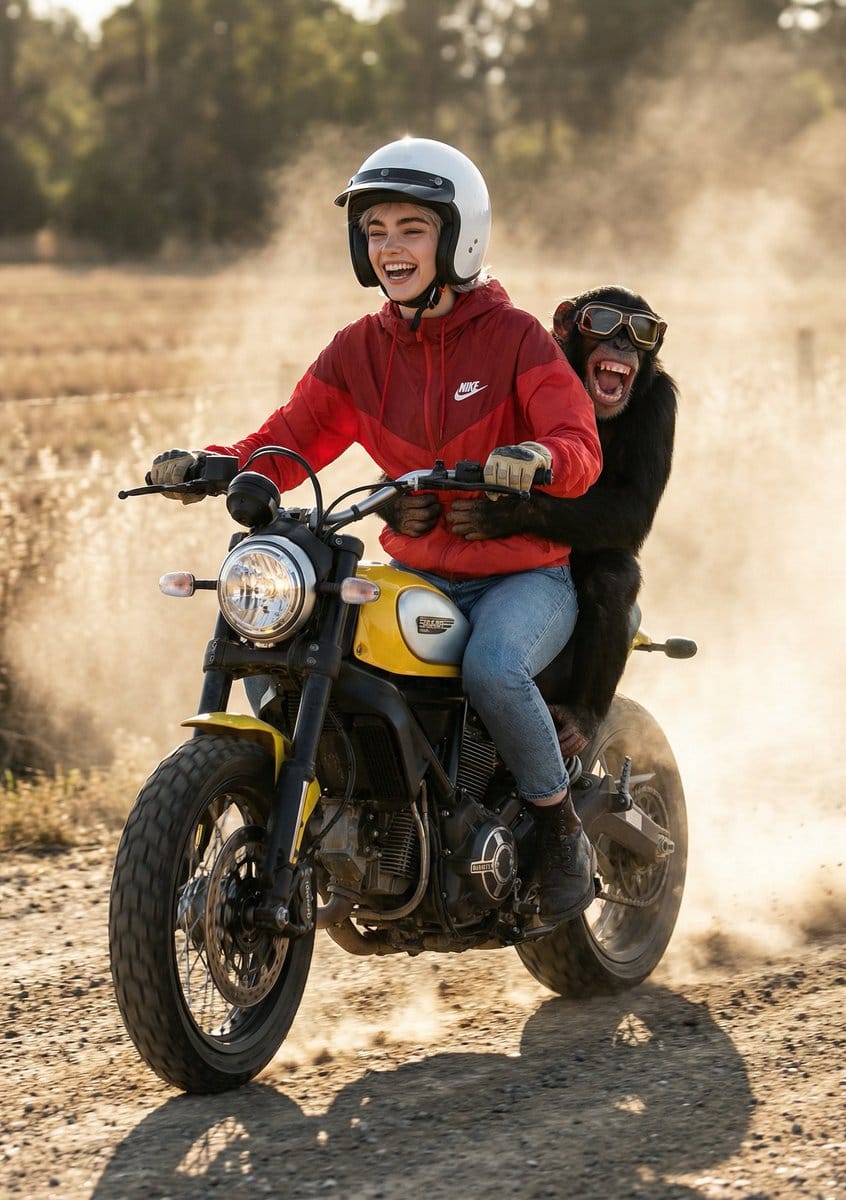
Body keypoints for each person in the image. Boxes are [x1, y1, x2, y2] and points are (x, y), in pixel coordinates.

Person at [149, 138, 602, 923]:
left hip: (523, 577)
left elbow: (580, 445)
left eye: (411, 229)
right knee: (292, 646)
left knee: (495, 667)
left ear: (458, 238)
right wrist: (215, 464)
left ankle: (562, 831)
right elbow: (288, 440)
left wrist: (537, 458)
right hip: (420, 575)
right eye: (376, 230)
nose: (390, 246)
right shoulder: (361, 350)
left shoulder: (516, 338)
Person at [385, 284, 677, 757]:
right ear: (565, 327)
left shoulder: (654, 401)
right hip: (498, 546)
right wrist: (393, 502)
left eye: (642, 333)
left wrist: (524, 515)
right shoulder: (531, 367)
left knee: (615, 576)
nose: (623, 342)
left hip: (574, 552)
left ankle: (584, 716)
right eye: (603, 324)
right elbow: (431, 449)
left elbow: (630, 523)